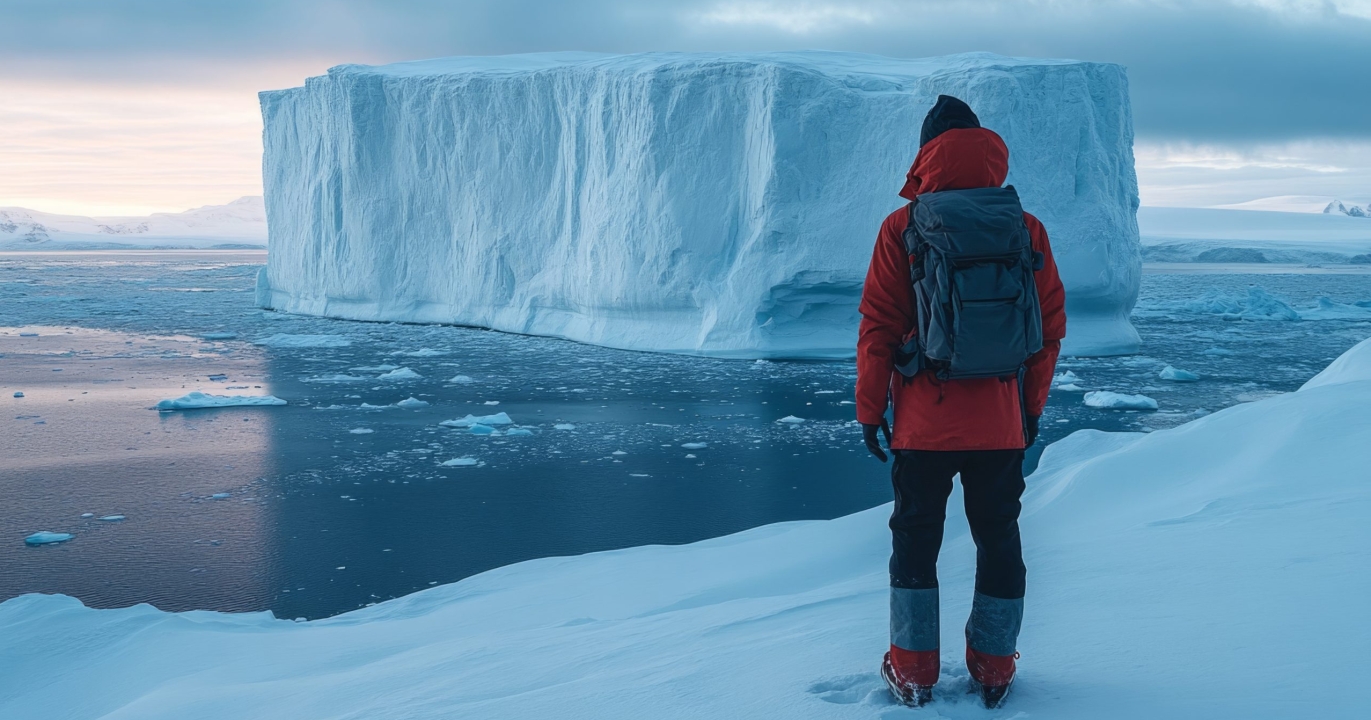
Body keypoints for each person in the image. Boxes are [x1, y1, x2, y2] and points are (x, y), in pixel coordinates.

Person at [855, 95, 1066, 708]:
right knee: (999, 538)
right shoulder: (1025, 227)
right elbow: (1048, 328)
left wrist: (871, 411)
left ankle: (914, 670)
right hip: (1000, 421)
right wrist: (1028, 408)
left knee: (915, 541)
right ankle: (995, 668)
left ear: (927, 152)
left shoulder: (904, 226)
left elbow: (879, 326)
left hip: (924, 422)